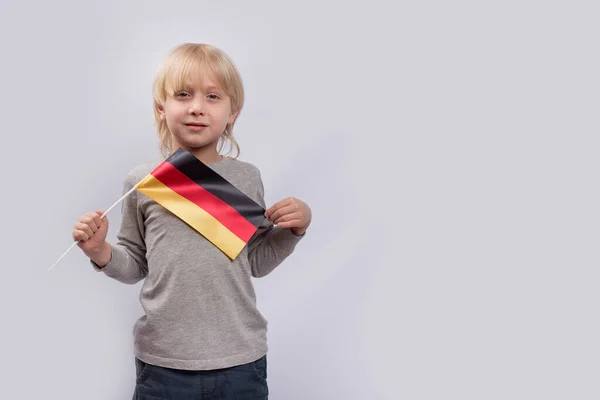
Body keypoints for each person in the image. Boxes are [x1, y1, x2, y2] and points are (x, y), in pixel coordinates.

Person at [72, 43, 312, 399]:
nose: (197, 107)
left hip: (240, 360)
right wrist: (100, 250)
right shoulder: (144, 181)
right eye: (183, 95)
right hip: (163, 363)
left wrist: (296, 229)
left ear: (233, 113)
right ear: (161, 108)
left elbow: (257, 261)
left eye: (213, 96)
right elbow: (135, 265)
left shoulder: (246, 177)